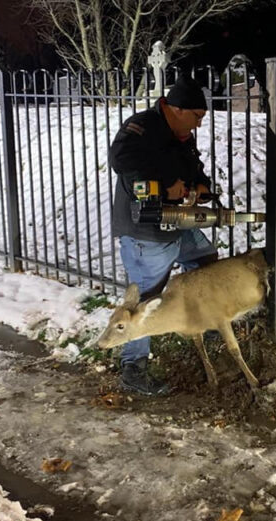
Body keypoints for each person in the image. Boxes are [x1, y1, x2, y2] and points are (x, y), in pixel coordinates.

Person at [108, 74, 217, 396]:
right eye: (196, 116)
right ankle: (133, 368)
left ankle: (201, 323)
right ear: (176, 108)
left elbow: (193, 167)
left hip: (177, 221)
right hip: (145, 229)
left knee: (204, 262)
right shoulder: (142, 127)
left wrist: (201, 186)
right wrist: (166, 182)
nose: (197, 125)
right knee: (144, 300)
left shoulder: (181, 135)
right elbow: (122, 159)